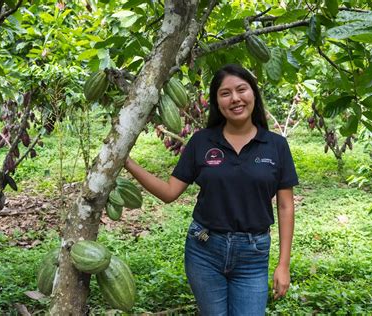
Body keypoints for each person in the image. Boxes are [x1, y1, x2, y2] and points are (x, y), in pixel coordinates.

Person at [124, 64, 298, 315]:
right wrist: (127, 162)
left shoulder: (276, 145)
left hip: (253, 253)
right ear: (217, 101)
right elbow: (170, 192)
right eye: (225, 93)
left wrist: (283, 264)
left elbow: (285, 205)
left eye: (242, 90)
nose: (235, 99)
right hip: (205, 250)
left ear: (254, 95)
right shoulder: (202, 141)